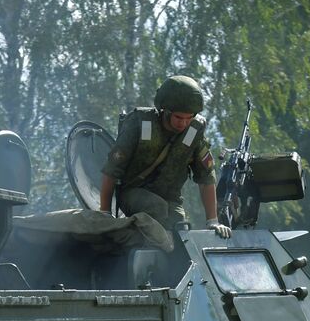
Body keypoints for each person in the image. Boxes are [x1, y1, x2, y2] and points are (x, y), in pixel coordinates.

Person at [99, 75, 232, 238]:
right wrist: (104, 213)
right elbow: (112, 169)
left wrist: (213, 221)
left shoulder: (193, 132)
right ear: (165, 110)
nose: (183, 123)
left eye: (189, 118)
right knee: (156, 208)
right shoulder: (140, 123)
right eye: (178, 117)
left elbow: (206, 179)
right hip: (132, 192)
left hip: (170, 198)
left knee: (180, 228)